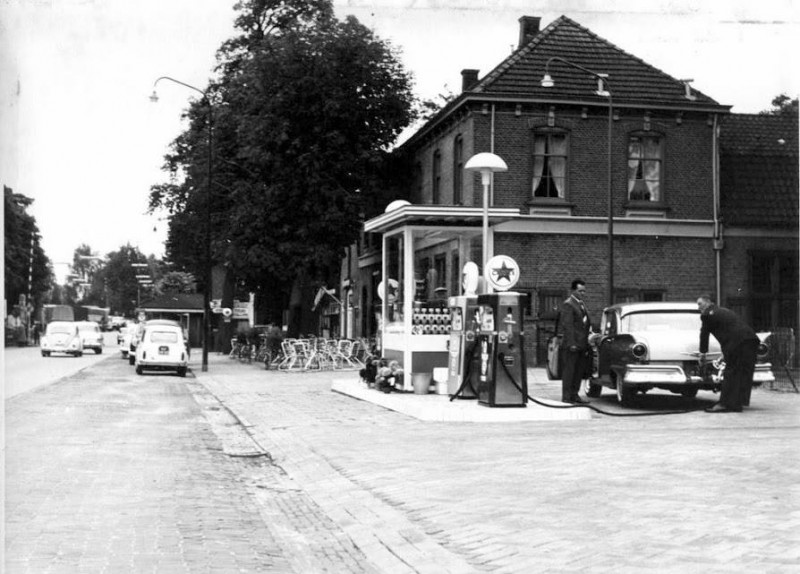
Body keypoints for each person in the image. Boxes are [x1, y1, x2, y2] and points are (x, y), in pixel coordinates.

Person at [697, 294, 760, 413]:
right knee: (743, 373)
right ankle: (737, 403)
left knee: (731, 371)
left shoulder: (706, 315)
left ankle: (725, 404)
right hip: (751, 341)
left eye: (700, 304)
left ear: (708, 302)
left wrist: (702, 354)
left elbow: (704, 335)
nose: (698, 307)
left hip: (737, 343)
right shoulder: (724, 310)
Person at [559, 278, 592, 404]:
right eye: (580, 291)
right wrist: (572, 343)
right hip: (572, 344)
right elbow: (568, 326)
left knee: (578, 371)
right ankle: (567, 396)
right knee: (570, 371)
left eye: (584, 291)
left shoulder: (581, 304)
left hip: (582, 344)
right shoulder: (568, 304)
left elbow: (584, 323)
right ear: (573, 290)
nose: (582, 294)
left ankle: (575, 394)